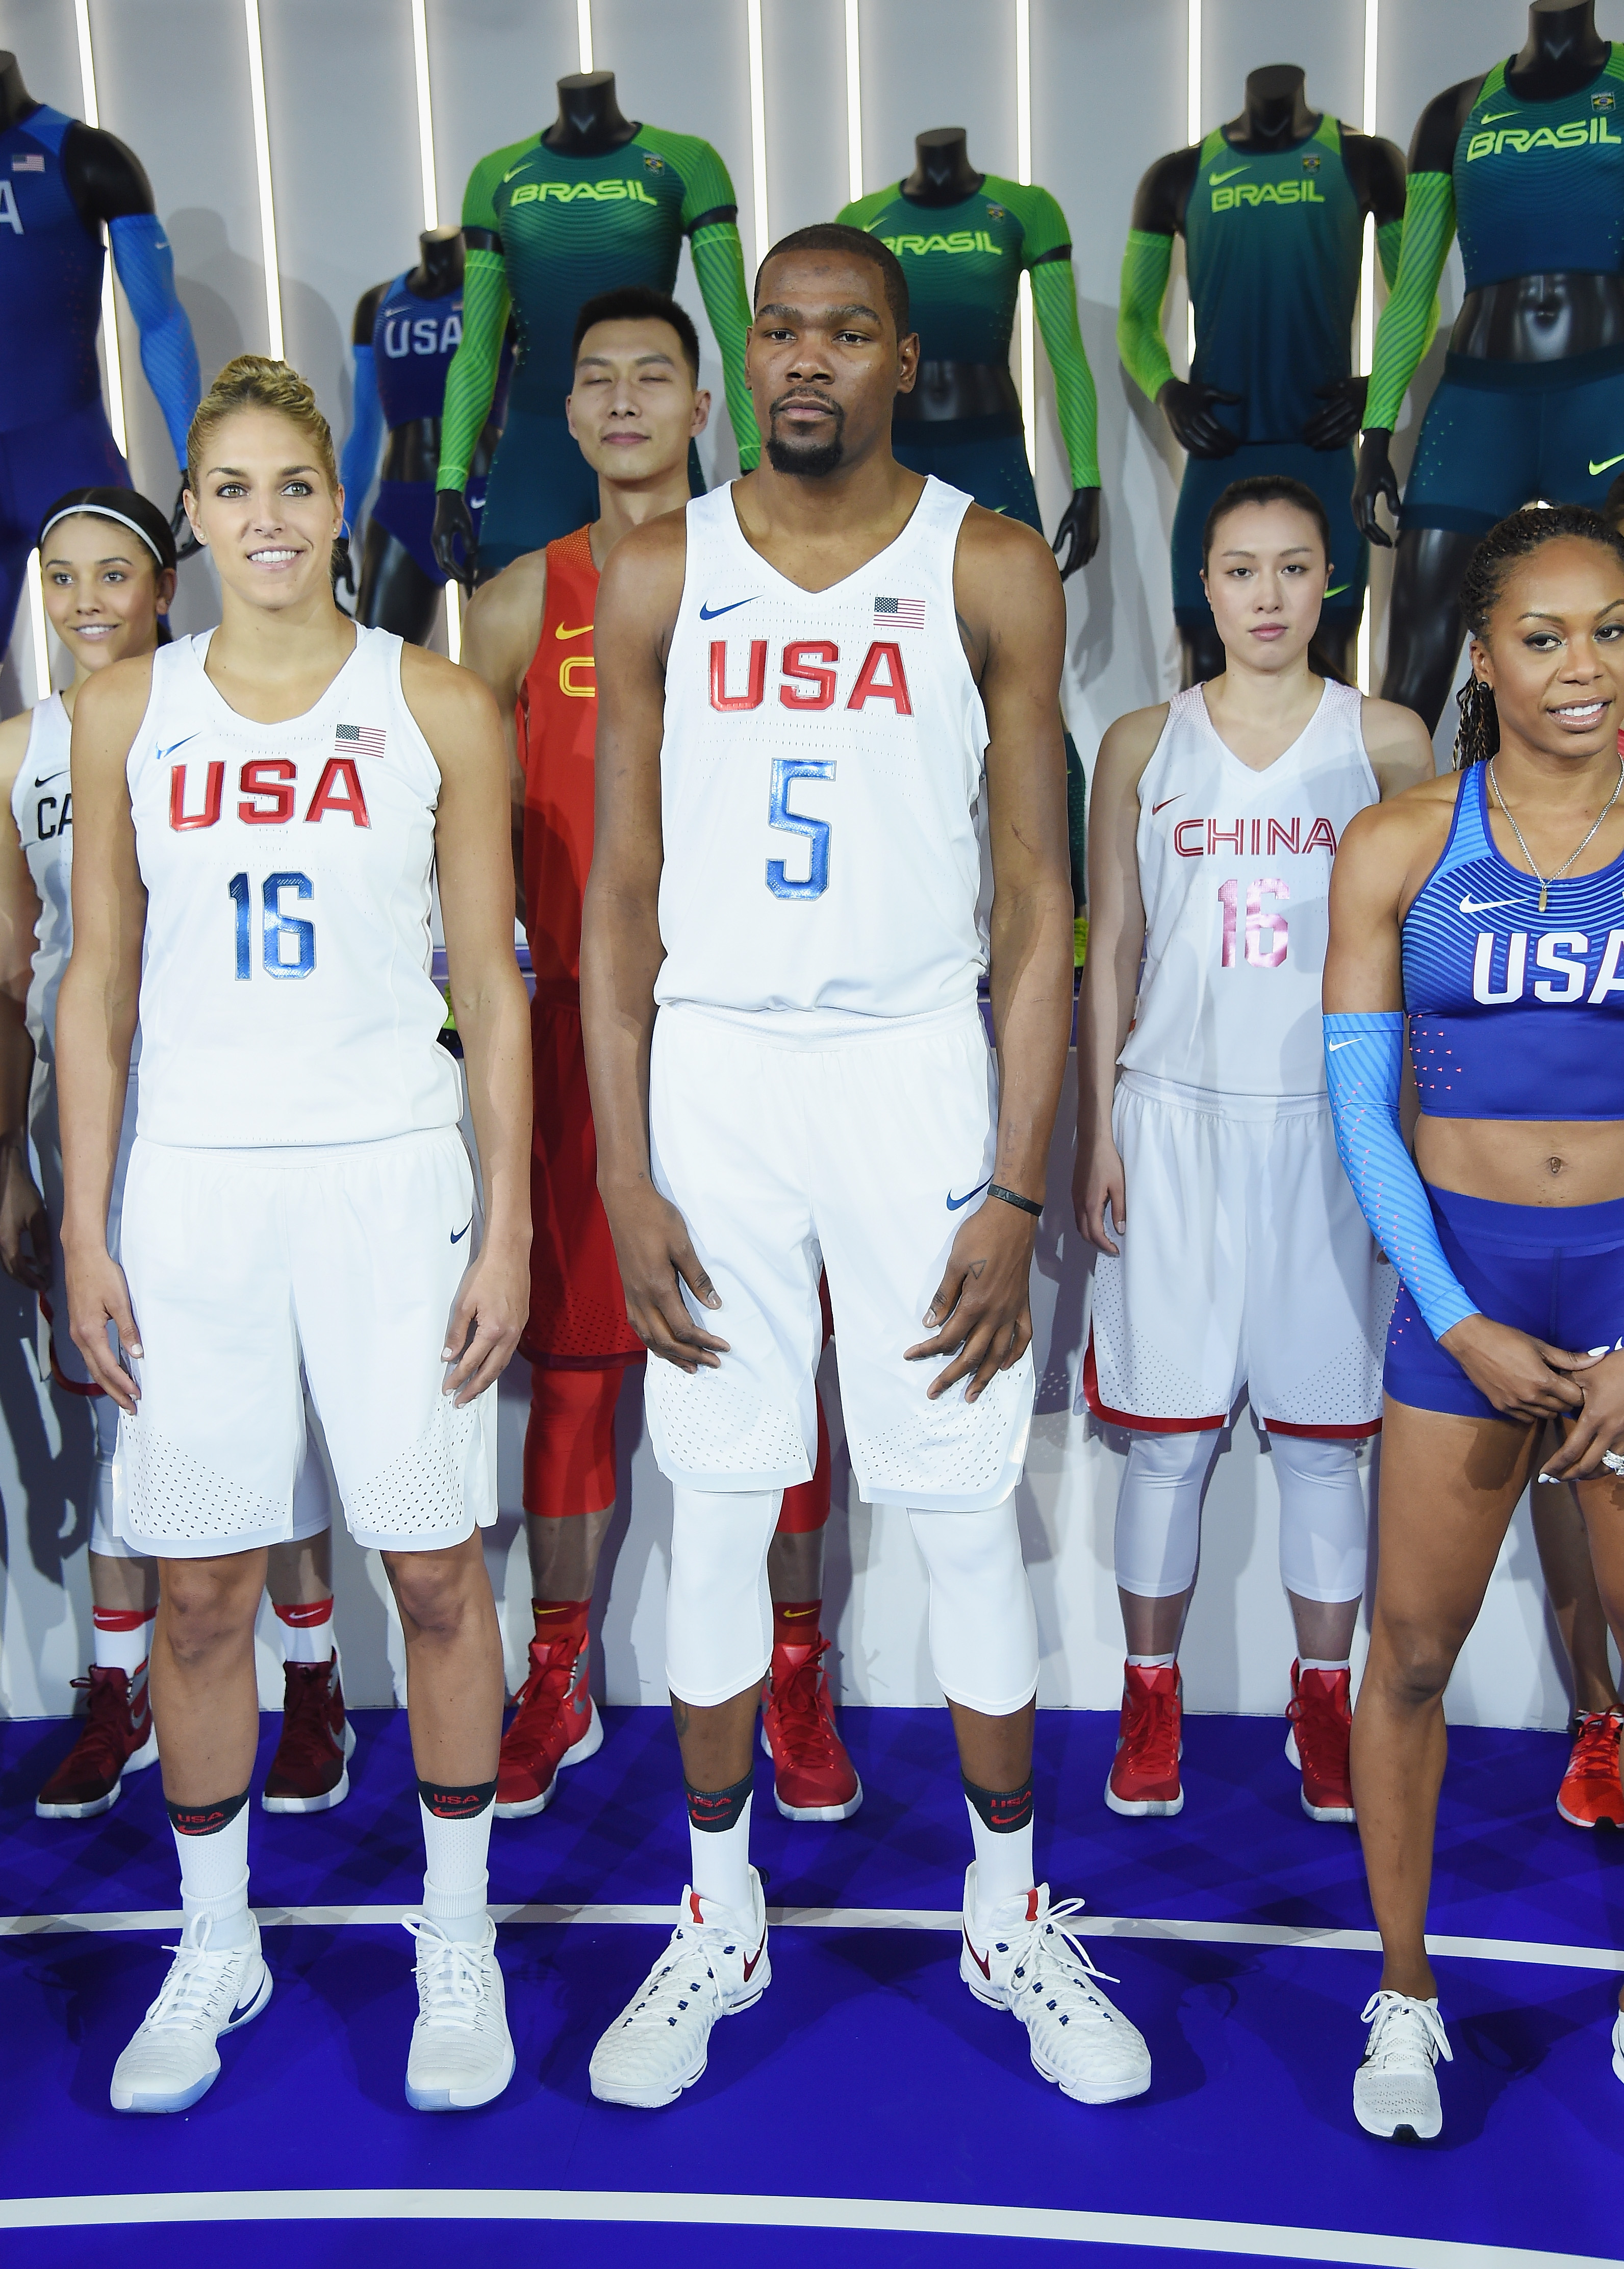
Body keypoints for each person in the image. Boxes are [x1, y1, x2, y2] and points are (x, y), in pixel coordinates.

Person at [579, 222, 1151, 2111]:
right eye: (778, 329)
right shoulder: (658, 567)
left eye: (846, 330)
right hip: (724, 1076)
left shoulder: (984, 561)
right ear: (748, 358)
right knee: (725, 1510)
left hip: (916, 1069)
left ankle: (1008, 1916)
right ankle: (720, 1916)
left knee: (965, 1513)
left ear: (911, 359)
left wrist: (1010, 1181)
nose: (805, 357)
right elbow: (618, 904)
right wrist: (630, 1176)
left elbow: (1039, 894)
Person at [57, 357, 530, 2115]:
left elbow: (490, 984)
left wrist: (512, 1227)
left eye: (294, 487)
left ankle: (456, 1931)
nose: (266, 518)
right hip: (191, 1191)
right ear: (197, 513)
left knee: (430, 1571)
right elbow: (95, 991)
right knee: (199, 1597)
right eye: (232, 488)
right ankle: (216, 1938)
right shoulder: (128, 711)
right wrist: (94, 1232)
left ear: (342, 507)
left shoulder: (437, 704)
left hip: (392, 1183)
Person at [462, 285, 857, 1826]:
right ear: (566, 417)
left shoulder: (772, 579)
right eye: (596, 380)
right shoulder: (513, 604)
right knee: (572, 1377)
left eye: (655, 377)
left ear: (710, 410)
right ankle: (556, 1667)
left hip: (745, 1033)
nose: (624, 400)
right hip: (572, 1029)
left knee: (769, 1361)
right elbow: (459, 839)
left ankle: (798, 1666)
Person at [1324, 502, 1624, 2141]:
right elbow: (1366, 1122)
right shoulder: (1402, 844)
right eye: (1549, 635)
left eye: (1617, 630)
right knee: (1415, 1655)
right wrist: (1454, 1319)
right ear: (1485, 656)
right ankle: (1406, 1993)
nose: (1587, 667)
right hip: (1470, 1298)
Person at [1076, 475, 1433, 1826]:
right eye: (1241, 570)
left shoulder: (1386, 741)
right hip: (1171, 1115)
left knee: (1324, 1447)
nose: (1269, 597)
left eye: (1294, 569)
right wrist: (1099, 1123)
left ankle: (1320, 1699)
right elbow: (1113, 945)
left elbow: (1421, 951)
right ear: (1205, 586)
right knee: (1169, 1446)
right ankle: (1149, 1696)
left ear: (1330, 581)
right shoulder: (1138, 744)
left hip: (1329, 1129)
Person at [0, 488, 351, 1821]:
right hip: (88, 1126)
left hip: (228, 1105)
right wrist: (17, 1170)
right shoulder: (18, 752)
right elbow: (12, 982)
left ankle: (312, 1676)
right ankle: (119, 1692)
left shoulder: (227, 714)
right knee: (115, 1412)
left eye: (114, 575)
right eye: (61, 577)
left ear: (163, 586)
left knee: (278, 1397)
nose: (87, 601)